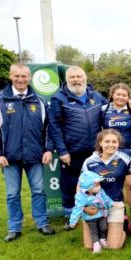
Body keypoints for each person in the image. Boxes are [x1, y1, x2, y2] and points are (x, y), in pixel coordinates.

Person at [0, 63, 55, 241]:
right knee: (12, 193)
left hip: (35, 156)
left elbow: (48, 129)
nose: (20, 79)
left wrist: (48, 149)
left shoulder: (39, 100)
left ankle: (42, 223)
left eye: (24, 76)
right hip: (9, 157)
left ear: (30, 77)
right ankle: (14, 227)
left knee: (39, 191)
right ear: (11, 76)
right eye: (17, 76)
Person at [49, 65, 108, 224]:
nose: (76, 80)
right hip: (71, 150)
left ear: (85, 78)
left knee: (96, 181)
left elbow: (112, 109)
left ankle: (98, 209)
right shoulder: (58, 99)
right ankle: (70, 214)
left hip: (94, 150)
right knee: (69, 183)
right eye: (72, 77)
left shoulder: (96, 96)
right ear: (66, 80)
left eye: (78, 77)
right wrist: (62, 150)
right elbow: (54, 126)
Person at [82, 129, 131, 249]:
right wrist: (85, 207)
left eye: (114, 142)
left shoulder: (125, 159)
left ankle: (123, 227)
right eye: (107, 141)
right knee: (89, 246)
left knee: (114, 246)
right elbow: (80, 187)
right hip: (94, 206)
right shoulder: (89, 162)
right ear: (100, 142)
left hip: (115, 205)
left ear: (118, 143)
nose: (111, 145)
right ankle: (103, 229)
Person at [101, 83, 131, 228]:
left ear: (128, 97)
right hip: (111, 152)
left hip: (130, 151)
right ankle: (120, 213)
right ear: (112, 95)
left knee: (130, 184)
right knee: (114, 184)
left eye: (124, 95)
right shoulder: (104, 110)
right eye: (118, 94)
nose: (121, 97)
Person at [68, 171, 113, 253]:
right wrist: (73, 221)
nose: (99, 187)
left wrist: (110, 203)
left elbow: (106, 198)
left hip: (102, 215)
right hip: (90, 218)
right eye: (96, 185)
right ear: (88, 187)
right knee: (94, 231)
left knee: (104, 227)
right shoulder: (81, 197)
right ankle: (96, 245)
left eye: (99, 184)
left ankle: (102, 240)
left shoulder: (100, 191)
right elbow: (77, 209)